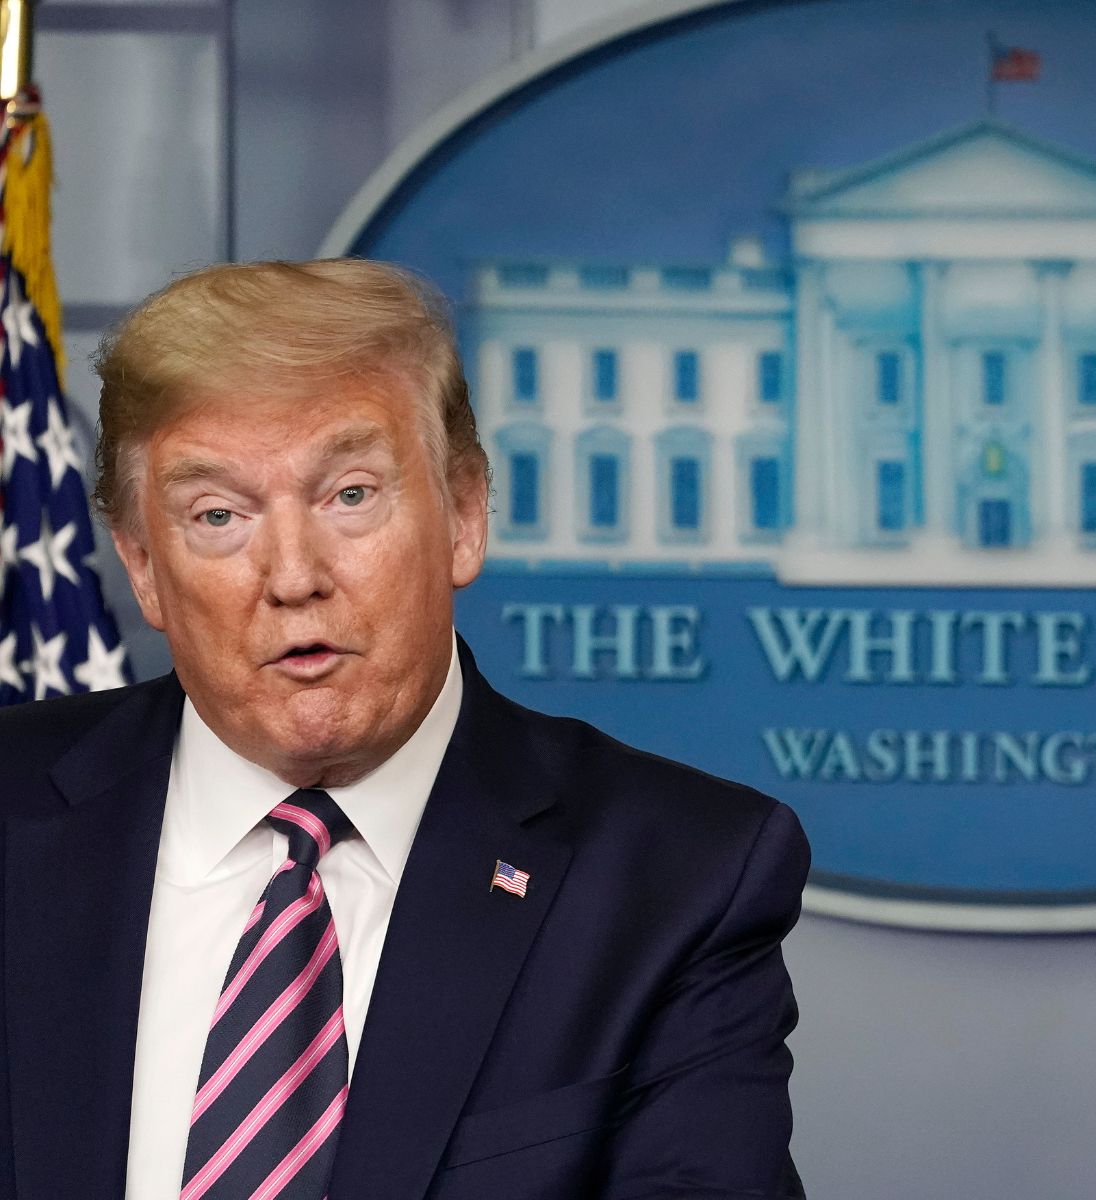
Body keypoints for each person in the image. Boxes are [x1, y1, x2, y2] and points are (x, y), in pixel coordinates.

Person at [0, 259, 810, 1199]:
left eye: (350, 495)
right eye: (217, 514)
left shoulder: (677, 879)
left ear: (464, 514)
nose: (293, 576)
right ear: (143, 566)